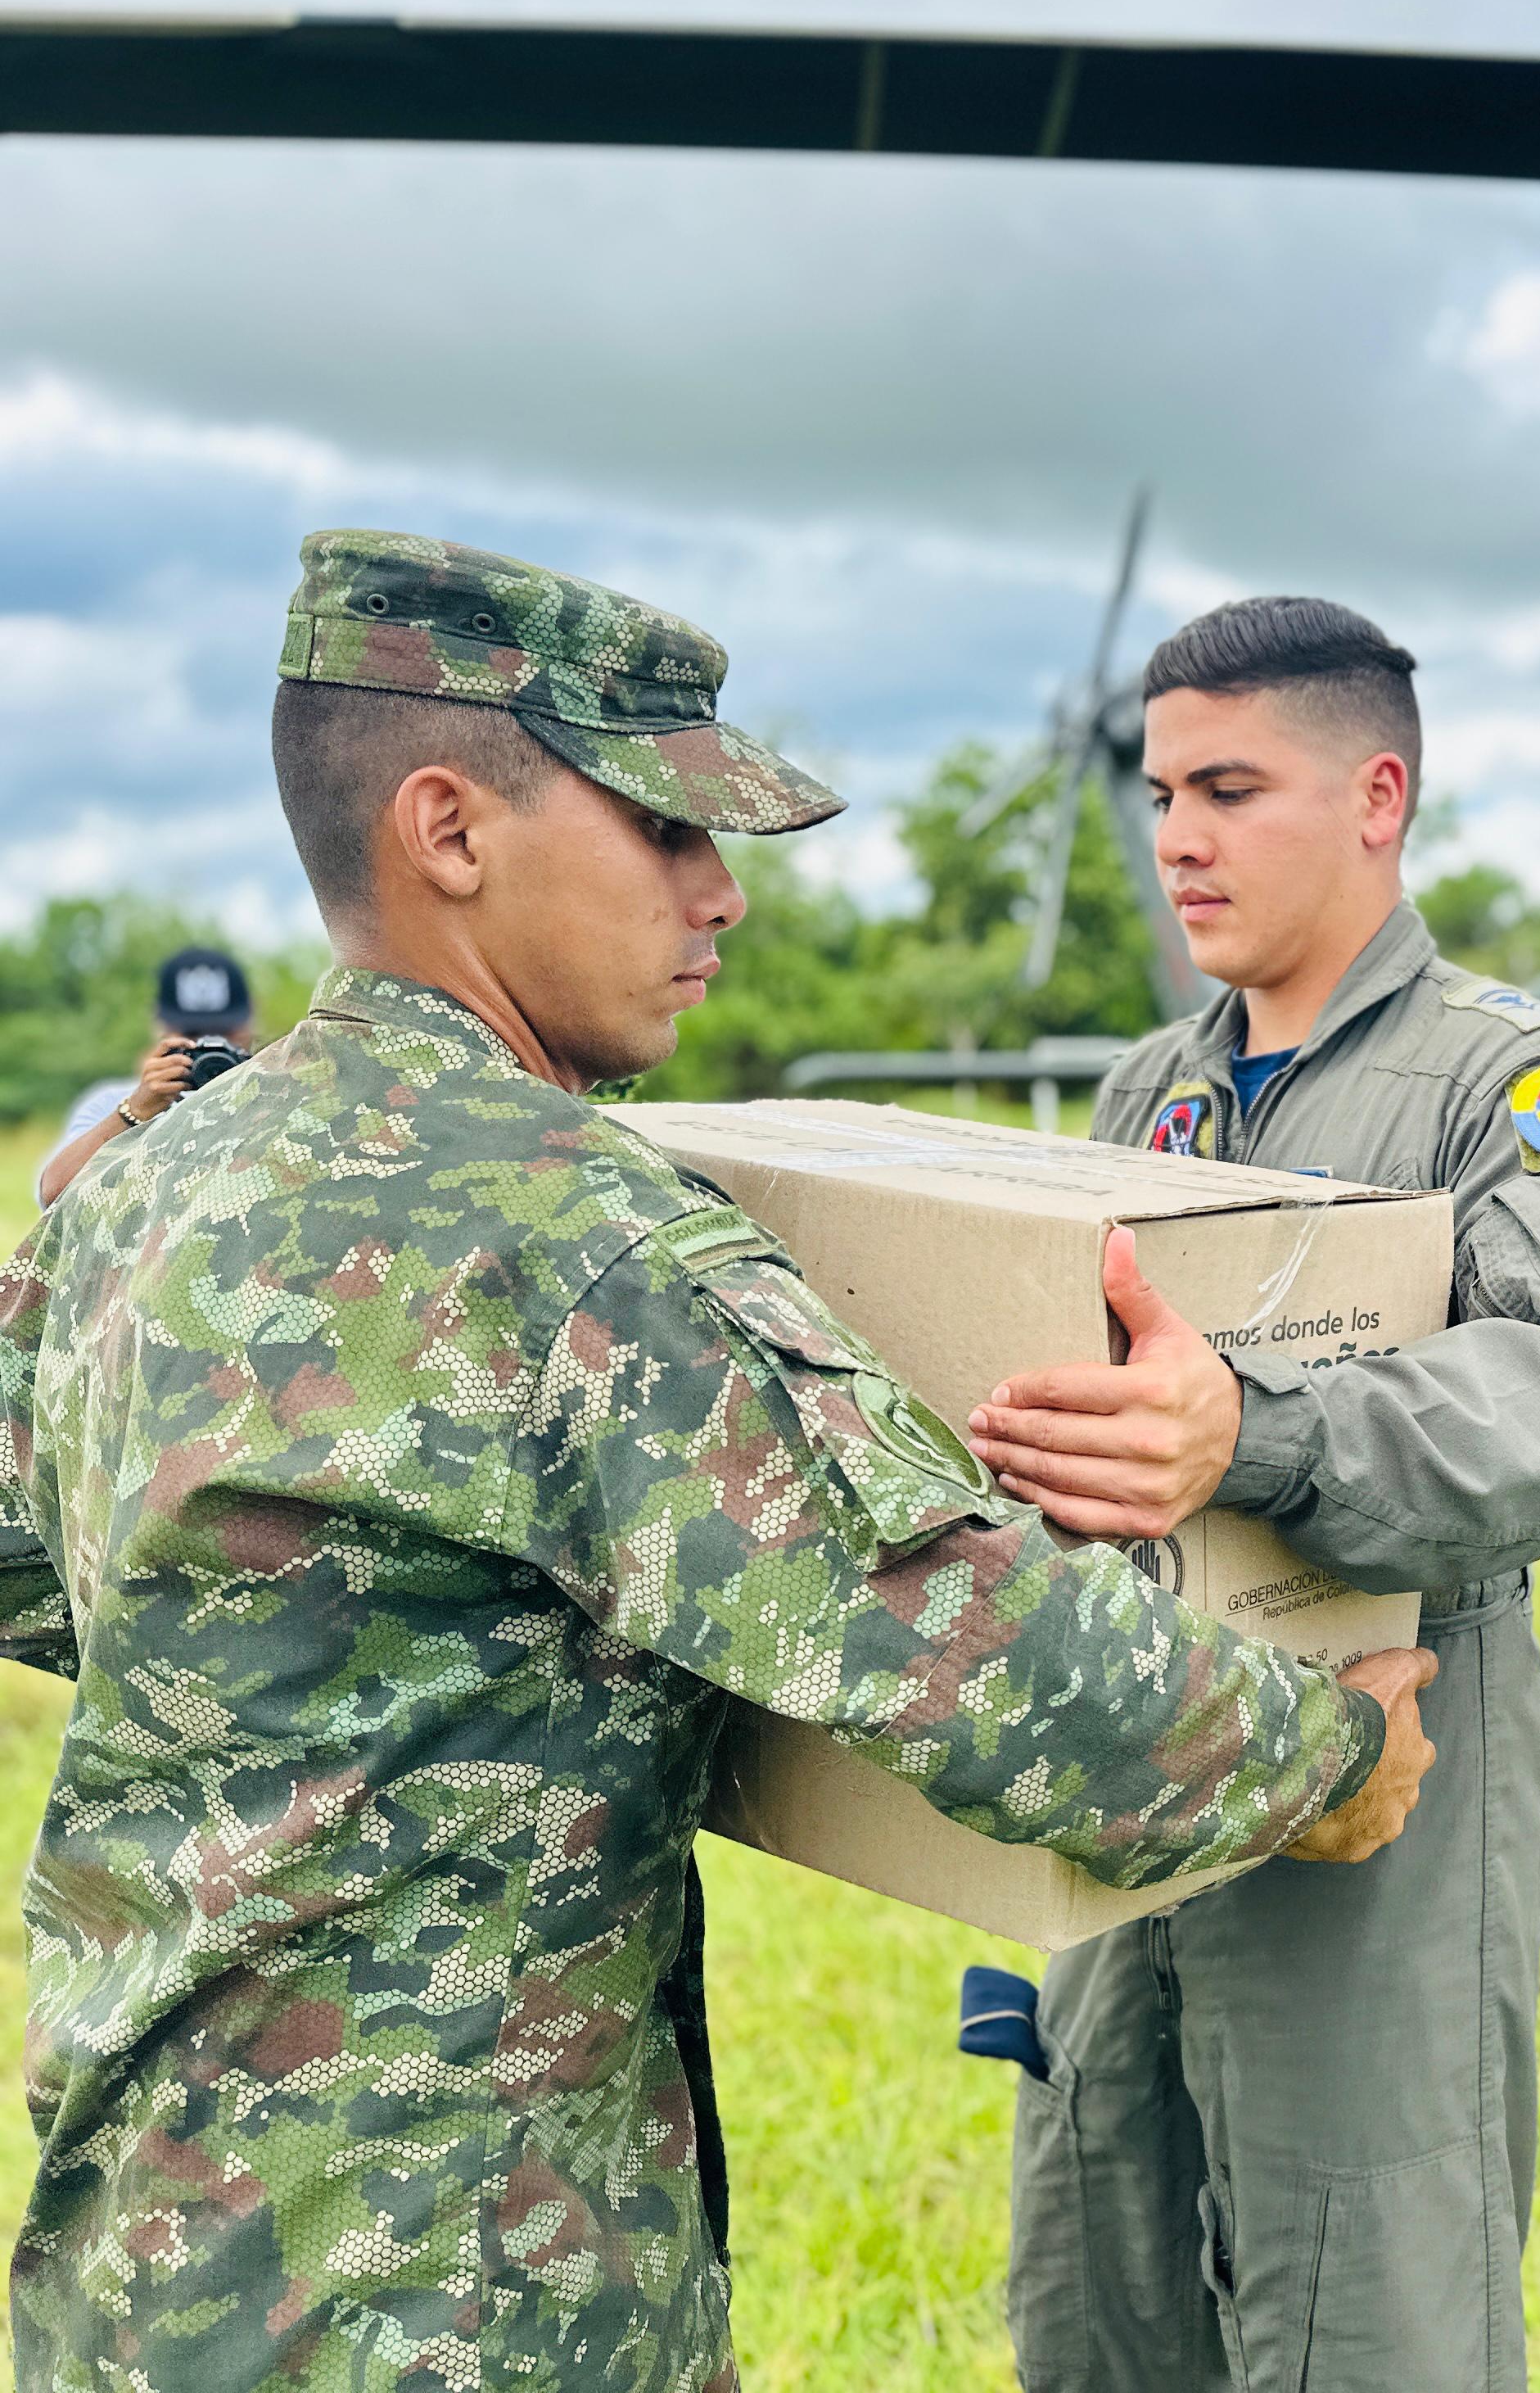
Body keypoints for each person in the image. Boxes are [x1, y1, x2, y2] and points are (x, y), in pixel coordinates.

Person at [0, 533, 1436, 2393]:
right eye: (666, 830)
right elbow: (997, 1666)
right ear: (449, 831)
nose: (720, 893)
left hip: (143, 2249)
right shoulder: (579, 1235)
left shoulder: (153, 1180)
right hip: (451, 2290)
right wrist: (1328, 1752)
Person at [962, 596, 1540, 2393]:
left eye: (1231, 787)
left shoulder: (1508, 1082)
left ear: (1378, 796)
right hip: (1150, 1744)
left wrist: (1264, 1436)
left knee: (1366, 2290)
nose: (1180, 840)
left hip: (1396, 1749)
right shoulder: (1154, 1089)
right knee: (1106, 2250)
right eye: (1159, 795)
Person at [32, 943, 258, 1208]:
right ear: (161, 1029)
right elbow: (54, 1195)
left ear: (250, 1027)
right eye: (193, 1034)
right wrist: (135, 1112)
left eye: (223, 1035)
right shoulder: (113, 1102)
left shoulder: (275, 1095)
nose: (210, 1049)